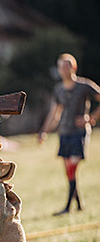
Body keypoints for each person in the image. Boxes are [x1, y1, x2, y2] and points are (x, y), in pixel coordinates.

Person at [38, 53, 100, 216]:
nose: (62, 70)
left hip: (78, 133)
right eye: (60, 67)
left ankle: (67, 207)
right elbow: (55, 112)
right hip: (64, 133)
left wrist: (91, 117)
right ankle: (79, 204)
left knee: (72, 166)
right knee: (69, 172)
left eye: (65, 67)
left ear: (73, 67)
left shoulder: (84, 85)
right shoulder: (58, 89)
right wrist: (44, 130)